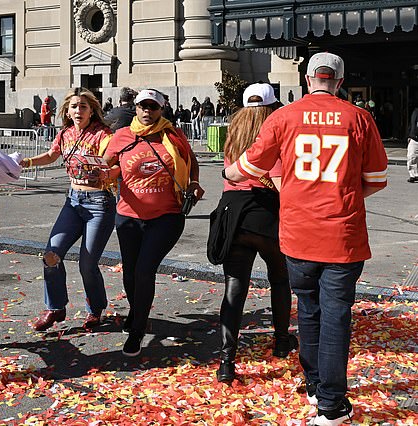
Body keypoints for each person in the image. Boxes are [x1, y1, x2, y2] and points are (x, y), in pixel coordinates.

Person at [224, 52, 388, 426]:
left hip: (298, 233)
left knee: (309, 310)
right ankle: (330, 404)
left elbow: (247, 168)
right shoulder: (359, 118)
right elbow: (377, 180)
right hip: (342, 235)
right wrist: (342, 193)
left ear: (307, 79)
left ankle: (315, 385)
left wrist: (231, 170)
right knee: (336, 317)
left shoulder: (284, 117)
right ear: (340, 81)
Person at [103, 89, 204, 357]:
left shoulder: (172, 135)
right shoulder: (122, 136)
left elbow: (191, 162)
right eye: (143, 106)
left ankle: (137, 331)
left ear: (162, 110)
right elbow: (109, 165)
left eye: (153, 107)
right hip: (128, 216)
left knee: (144, 270)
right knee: (130, 272)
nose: (148, 111)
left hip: (167, 216)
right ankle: (138, 313)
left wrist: (193, 183)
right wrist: (104, 173)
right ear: (135, 108)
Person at [211, 83, 297, 384]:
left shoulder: (233, 136)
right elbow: (278, 177)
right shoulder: (273, 135)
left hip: (234, 215)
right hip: (267, 214)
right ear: (273, 108)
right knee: (279, 279)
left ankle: (226, 361)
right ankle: (282, 341)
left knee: (234, 289)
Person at [21, 87, 116, 331]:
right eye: (74, 106)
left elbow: (110, 157)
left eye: (83, 106)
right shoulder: (65, 134)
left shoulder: (103, 134)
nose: (78, 110)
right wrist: (27, 162)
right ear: (67, 110)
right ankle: (55, 308)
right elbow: (52, 155)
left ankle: (95, 309)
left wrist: (103, 166)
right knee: (51, 255)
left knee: (87, 263)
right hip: (73, 201)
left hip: (99, 204)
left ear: (92, 110)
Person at [408, 105, 418, 183]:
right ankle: (413, 175)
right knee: (411, 157)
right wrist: (410, 135)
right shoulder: (415, 111)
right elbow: (412, 125)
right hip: (414, 138)